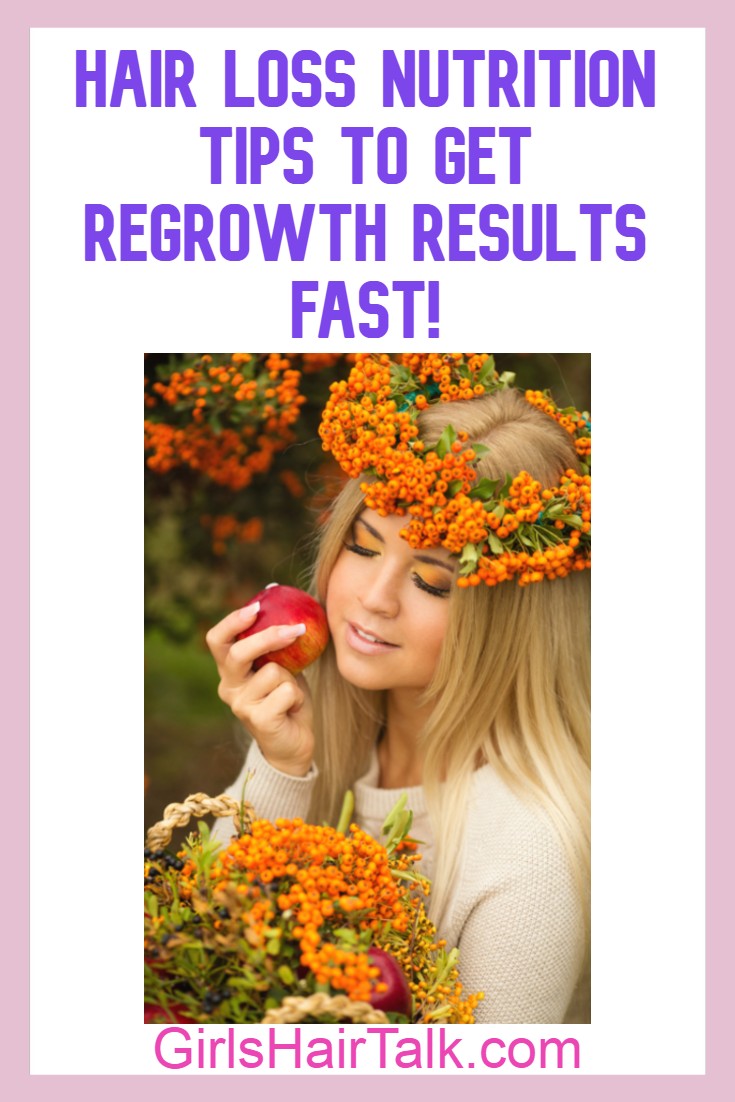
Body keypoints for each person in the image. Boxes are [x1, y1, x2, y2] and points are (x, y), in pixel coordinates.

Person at [206, 354, 591, 1025]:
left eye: (433, 581)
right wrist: (279, 767)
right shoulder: (330, 736)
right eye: (361, 546)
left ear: (510, 620)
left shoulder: (528, 852)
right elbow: (202, 955)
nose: (372, 600)